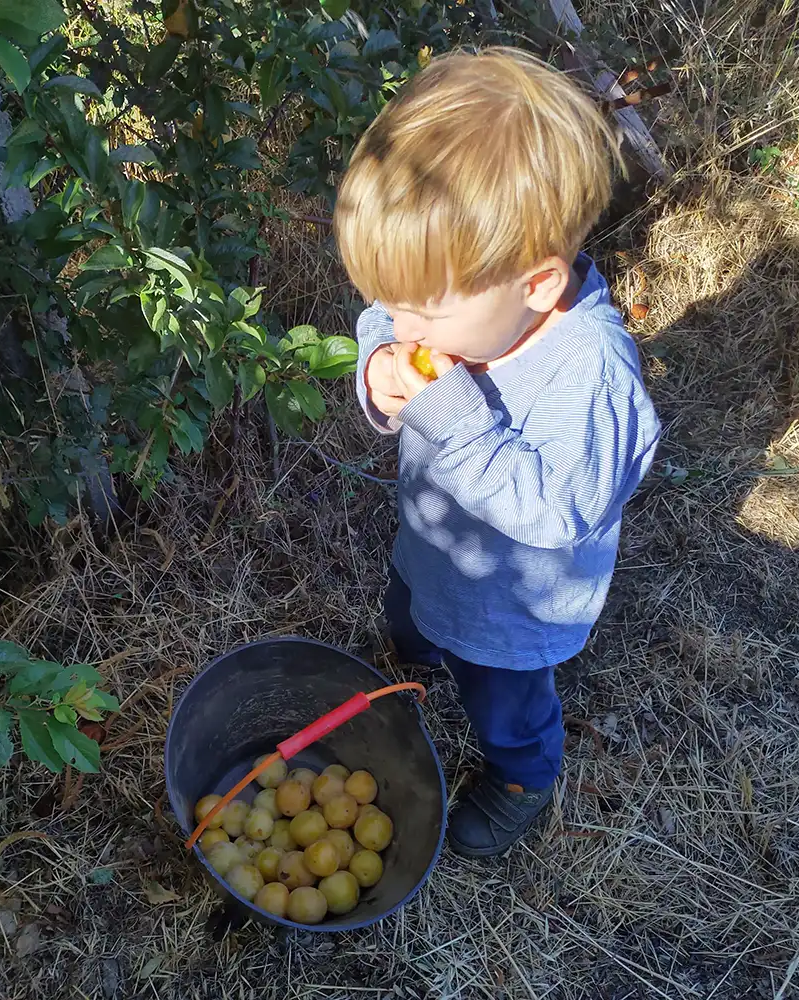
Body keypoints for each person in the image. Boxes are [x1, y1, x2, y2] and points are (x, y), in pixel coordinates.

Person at [332, 47, 661, 857]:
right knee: (407, 608)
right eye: (390, 301)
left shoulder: (591, 378)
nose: (403, 329)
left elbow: (558, 513)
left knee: (503, 698)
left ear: (538, 285)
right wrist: (380, 362)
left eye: (421, 316)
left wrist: (452, 414)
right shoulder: (451, 306)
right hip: (433, 544)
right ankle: (410, 653)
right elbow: (387, 317)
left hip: (512, 607)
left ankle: (523, 776)